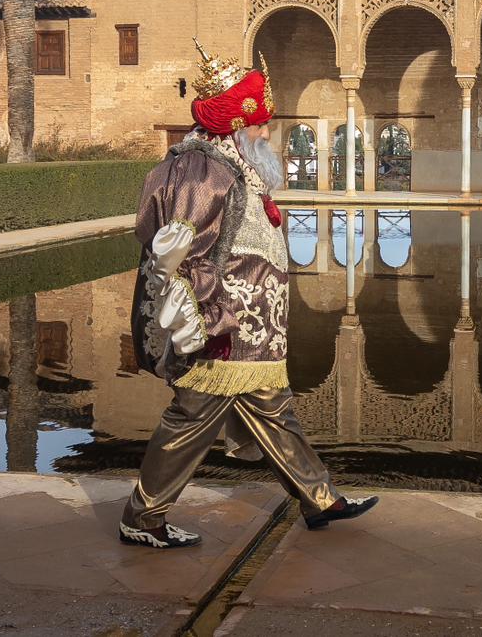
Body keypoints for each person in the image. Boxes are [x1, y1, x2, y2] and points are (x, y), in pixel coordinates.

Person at [118, 43, 377, 549]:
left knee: (274, 411)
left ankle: (320, 499)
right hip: (226, 330)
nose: (266, 133)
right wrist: (211, 317)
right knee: (192, 416)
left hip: (252, 332)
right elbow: (185, 249)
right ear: (238, 125)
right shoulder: (203, 169)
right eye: (259, 125)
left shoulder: (234, 165)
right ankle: (142, 516)